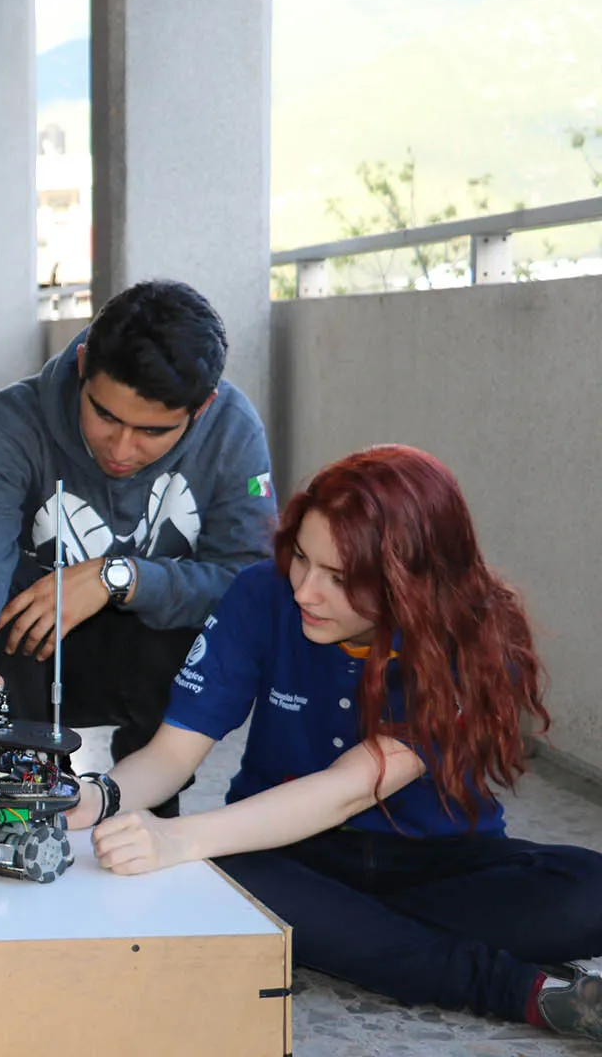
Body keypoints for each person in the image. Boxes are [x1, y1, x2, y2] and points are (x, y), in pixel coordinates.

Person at [61, 444, 602, 1041]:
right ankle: (525, 993)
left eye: (341, 579)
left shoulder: (473, 638)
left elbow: (348, 790)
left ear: (412, 582)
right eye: (301, 558)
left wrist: (175, 837)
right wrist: (99, 797)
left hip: (442, 864)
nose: (305, 592)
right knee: (228, 879)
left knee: (586, 894)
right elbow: (171, 754)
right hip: (284, 852)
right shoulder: (260, 594)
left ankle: (351, 936)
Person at [0, 279, 274, 814]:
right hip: (35, 652)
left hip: (155, 657)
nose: (122, 448)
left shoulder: (232, 430)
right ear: (84, 364)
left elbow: (250, 581)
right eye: (106, 416)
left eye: (153, 432)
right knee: (2, 607)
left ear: (201, 407)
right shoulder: (13, 420)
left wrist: (120, 578)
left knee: (189, 625)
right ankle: (22, 787)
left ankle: (147, 799)